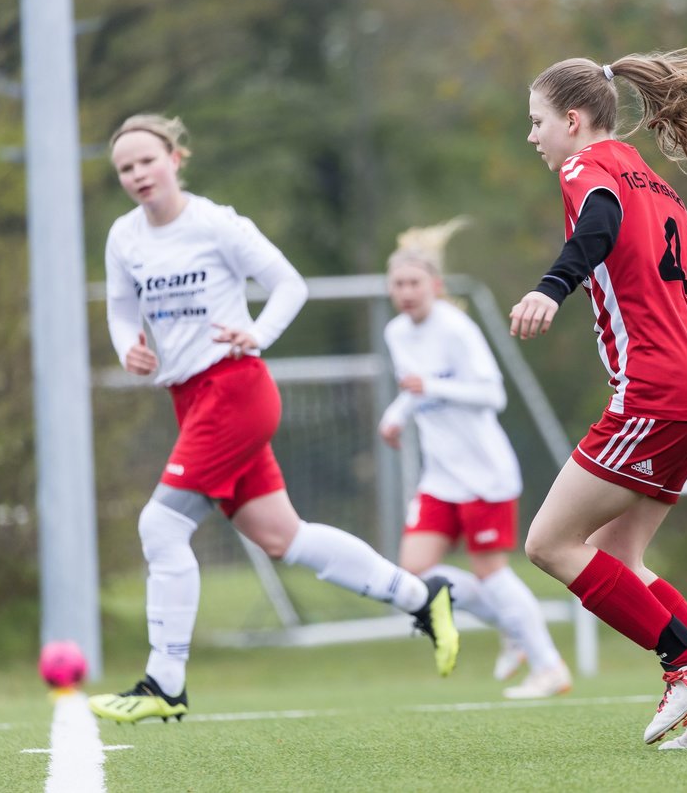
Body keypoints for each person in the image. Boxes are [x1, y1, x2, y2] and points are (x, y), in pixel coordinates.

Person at [89, 114, 458, 724]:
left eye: (147, 161)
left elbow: (289, 284)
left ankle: (164, 682)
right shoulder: (124, 237)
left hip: (235, 389)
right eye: (125, 168)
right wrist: (128, 344)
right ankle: (423, 598)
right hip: (191, 400)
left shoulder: (216, 223)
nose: (136, 175)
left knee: (160, 527)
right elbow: (121, 308)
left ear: (176, 158)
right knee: (283, 538)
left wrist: (256, 331)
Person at [509, 45, 687, 750]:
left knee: (548, 543)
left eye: (537, 121)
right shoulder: (657, 188)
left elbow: (596, 224)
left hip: (656, 393)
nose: (533, 135)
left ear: (573, 120)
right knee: (617, 554)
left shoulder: (587, 169)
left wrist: (552, 286)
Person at [378, 218, 572, 699]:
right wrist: (396, 415)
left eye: (414, 283)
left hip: (484, 472)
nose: (405, 292)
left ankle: (549, 667)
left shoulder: (456, 328)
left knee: (490, 570)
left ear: (435, 286)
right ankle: (511, 624)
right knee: (415, 571)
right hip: (439, 476)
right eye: (397, 284)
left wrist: (433, 388)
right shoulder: (396, 333)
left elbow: (492, 395)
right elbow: (414, 387)